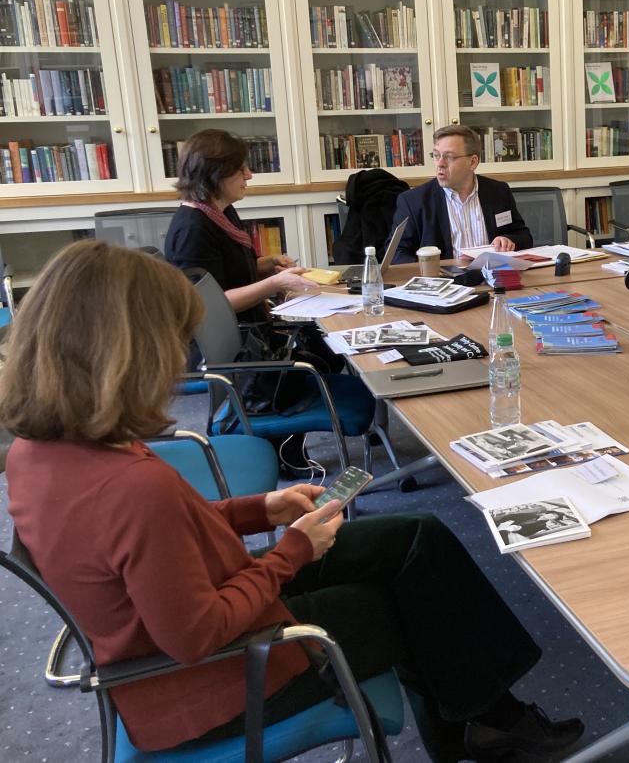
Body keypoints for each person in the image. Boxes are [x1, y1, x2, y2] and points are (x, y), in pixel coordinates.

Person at [0, 241, 584, 763]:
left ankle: (485, 723)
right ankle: (486, 729)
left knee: (416, 538)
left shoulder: (39, 450)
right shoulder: (129, 484)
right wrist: (292, 552)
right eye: (175, 342)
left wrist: (261, 509)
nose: (184, 359)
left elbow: (152, 542)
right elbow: (195, 636)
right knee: (410, 605)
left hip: (190, 617)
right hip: (214, 680)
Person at [164, 129, 316, 322]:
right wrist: (276, 283)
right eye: (240, 169)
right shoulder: (192, 231)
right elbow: (209, 304)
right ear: (214, 173)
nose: (249, 175)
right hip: (233, 342)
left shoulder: (221, 211)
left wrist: (269, 263)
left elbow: (231, 270)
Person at [393, 124, 533, 262]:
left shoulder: (499, 191)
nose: (440, 163)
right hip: (445, 281)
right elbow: (396, 254)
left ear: (472, 162)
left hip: (493, 277)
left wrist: (509, 240)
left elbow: (524, 236)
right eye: (436, 155)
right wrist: (429, 269)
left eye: (449, 157)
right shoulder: (413, 201)